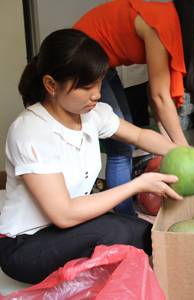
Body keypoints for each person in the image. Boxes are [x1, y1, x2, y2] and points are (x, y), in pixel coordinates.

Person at [0, 29, 184, 285]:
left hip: (66, 227)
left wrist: (180, 151)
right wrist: (138, 184)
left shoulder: (90, 114)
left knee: (146, 233)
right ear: (51, 85)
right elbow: (63, 214)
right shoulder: (31, 130)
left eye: (99, 82)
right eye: (86, 86)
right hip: (25, 246)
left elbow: (140, 136)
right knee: (119, 231)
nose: (96, 94)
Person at [73, 0, 194, 216]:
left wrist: (171, 144)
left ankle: (126, 216)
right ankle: (127, 218)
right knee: (120, 149)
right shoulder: (163, 21)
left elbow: (155, 95)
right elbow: (160, 95)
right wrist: (183, 149)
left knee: (125, 143)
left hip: (105, 66)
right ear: (193, 7)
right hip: (82, 62)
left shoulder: (169, 22)